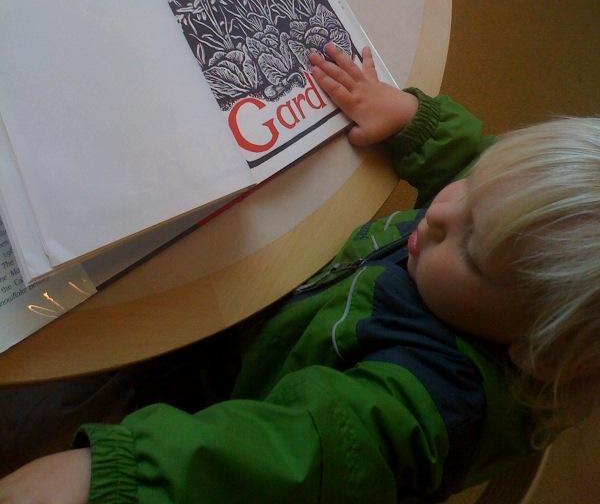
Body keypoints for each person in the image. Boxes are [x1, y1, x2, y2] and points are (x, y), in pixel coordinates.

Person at [1, 43, 599, 504]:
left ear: (541, 355)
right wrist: (415, 120)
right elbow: (474, 160)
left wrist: (121, 478)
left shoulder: (418, 408)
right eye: (471, 189)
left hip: (213, 397)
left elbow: (291, 455)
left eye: (472, 248)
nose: (440, 212)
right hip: (275, 314)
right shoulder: (505, 258)